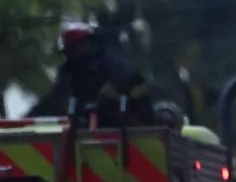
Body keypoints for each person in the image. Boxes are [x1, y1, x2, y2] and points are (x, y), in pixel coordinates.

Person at [29, 23, 185, 129]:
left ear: (91, 44)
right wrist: (27, 120)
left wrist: (108, 105)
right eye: (70, 48)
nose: (74, 52)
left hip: (126, 136)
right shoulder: (68, 75)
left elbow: (142, 107)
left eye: (78, 46)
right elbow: (53, 102)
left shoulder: (119, 71)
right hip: (78, 136)